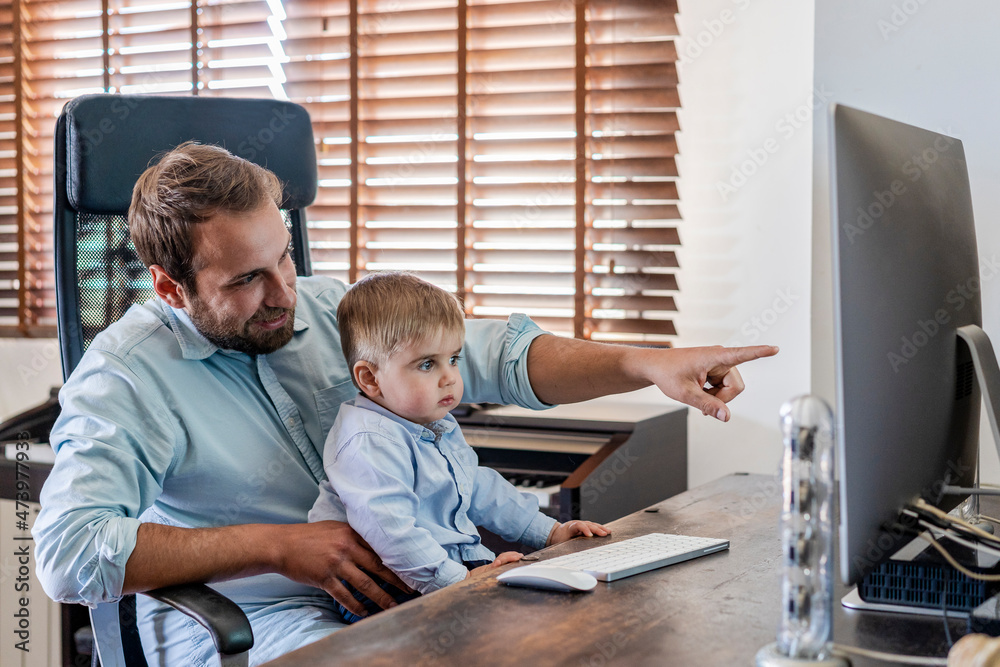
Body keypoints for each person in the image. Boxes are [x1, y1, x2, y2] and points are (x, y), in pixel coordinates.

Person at [31, 141, 778, 666]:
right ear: (170, 287)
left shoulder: (328, 309)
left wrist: (646, 363)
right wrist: (279, 544)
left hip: (402, 587)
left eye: (286, 254)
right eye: (247, 279)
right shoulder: (124, 378)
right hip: (254, 618)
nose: (285, 292)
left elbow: (493, 351)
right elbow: (67, 553)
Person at [308, 272, 610, 622]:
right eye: (426, 364)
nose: (449, 376)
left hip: (443, 569)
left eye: (454, 359)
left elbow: (476, 487)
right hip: (389, 587)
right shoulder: (368, 440)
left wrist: (549, 533)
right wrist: (458, 581)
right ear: (370, 379)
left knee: (562, 611)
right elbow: (390, 530)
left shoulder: (432, 423)